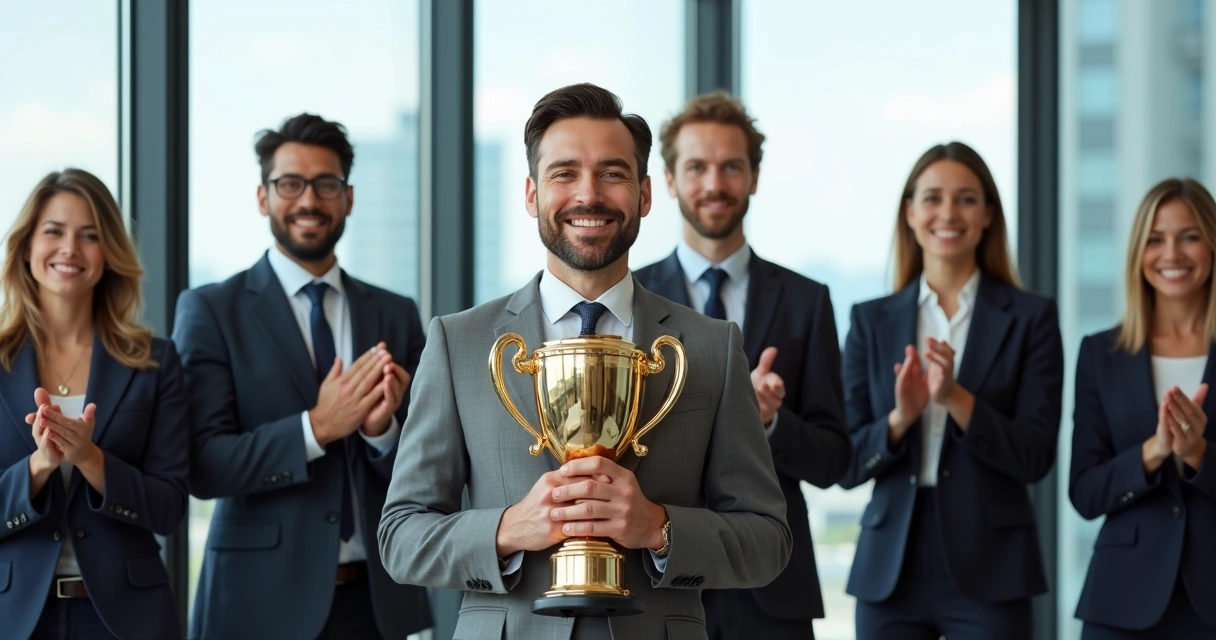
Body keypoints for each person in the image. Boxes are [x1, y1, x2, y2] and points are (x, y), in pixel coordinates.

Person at [377, 83, 791, 640]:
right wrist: (506, 530)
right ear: (531, 194)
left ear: (644, 195)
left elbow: (768, 541)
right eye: (564, 173)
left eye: (613, 173)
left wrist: (659, 528)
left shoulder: (713, 346)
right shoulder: (460, 342)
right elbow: (401, 537)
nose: (588, 195)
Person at [173, 114, 431, 639]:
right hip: (256, 603)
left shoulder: (395, 313)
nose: (309, 201)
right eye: (290, 184)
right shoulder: (211, 310)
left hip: (375, 604)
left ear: (349, 198)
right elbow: (203, 465)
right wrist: (316, 428)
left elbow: (431, 466)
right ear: (263, 197)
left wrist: (381, 431)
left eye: (326, 184)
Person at [634, 90, 851, 638]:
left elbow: (834, 461)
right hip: (655, 583)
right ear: (668, 180)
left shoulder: (808, 301)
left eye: (731, 167)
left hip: (772, 587)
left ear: (754, 177)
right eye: (697, 167)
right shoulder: (628, 298)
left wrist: (771, 422)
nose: (714, 184)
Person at [838, 142, 1062, 639]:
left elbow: (1036, 457)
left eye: (965, 199)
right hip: (891, 565)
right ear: (911, 213)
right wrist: (901, 418)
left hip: (994, 565)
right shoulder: (871, 321)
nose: (948, 213)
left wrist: (957, 400)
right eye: (933, 198)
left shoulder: (1031, 319)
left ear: (987, 215)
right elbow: (847, 462)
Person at [0, 169, 189, 639]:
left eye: (90, 236)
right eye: (54, 232)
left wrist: (91, 459)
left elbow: (169, 508)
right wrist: (39, 467)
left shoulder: (155, 361)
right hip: (15, 616)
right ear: (26, 247)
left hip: (126, 619)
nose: (69, 249)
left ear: (108, 255)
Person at [1069, 178, 1216, 638]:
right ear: (1138, 253)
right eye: (1156, 239)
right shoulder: (1100, 354)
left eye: (1189, 236)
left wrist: (1198, 456)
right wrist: (1153, 451)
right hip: (1121, 603)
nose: (1171, 253)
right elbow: (1086, 492)